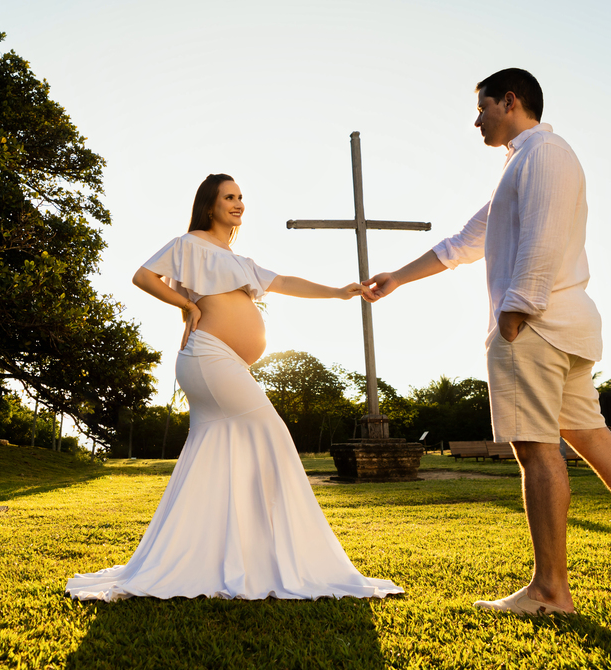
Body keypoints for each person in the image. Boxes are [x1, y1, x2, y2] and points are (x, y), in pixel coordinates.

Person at [363, 69, 611, 614]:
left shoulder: (545, 154)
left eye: (481, 109)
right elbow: (463, 242)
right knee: (596, 441)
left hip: (536, 326)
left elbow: (544, 238)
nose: (476, 120)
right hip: (560, 327)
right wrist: (398, 277)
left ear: (511, 100)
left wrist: (514, 313)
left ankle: (550, 591)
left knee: (537, 452)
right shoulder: (519, 165)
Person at [65, 173, 402, 602]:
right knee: (271, 433)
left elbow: (284, 283)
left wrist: (338, 292)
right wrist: (186, 303)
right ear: (210, 205)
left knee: (216, 454)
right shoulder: (190, 244)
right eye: (229, 197)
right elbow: (143, 277)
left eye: (241, 197)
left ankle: (219, 557)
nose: (238, 203)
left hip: (224, 361)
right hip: (207, 357)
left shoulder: (238, 259)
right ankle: (276, 556)